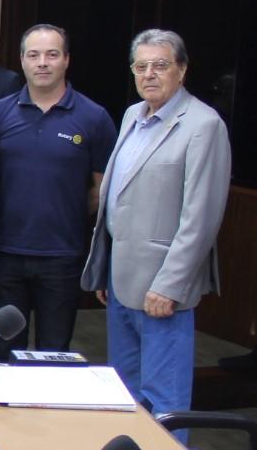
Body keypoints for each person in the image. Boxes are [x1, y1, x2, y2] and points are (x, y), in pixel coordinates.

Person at [83, 29, 231, 417]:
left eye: (160, 65)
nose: (149, 74)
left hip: (163, 288)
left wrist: (170, 285)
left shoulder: (204, 125)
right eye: (141, 66)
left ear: (181, 70)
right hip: (120, 280)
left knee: (164, 402)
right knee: (126, 396)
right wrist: (104, 269)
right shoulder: (133, 114)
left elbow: (201, 217)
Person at [0, 24, 116, 353]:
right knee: (2, 354)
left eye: (52, 54)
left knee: (53, 356)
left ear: (66, 60)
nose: (42, 62)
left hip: (62, 257)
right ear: (22, 61)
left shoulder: (94, 117)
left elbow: (100, 191)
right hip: (5, 255)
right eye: (34, 55)